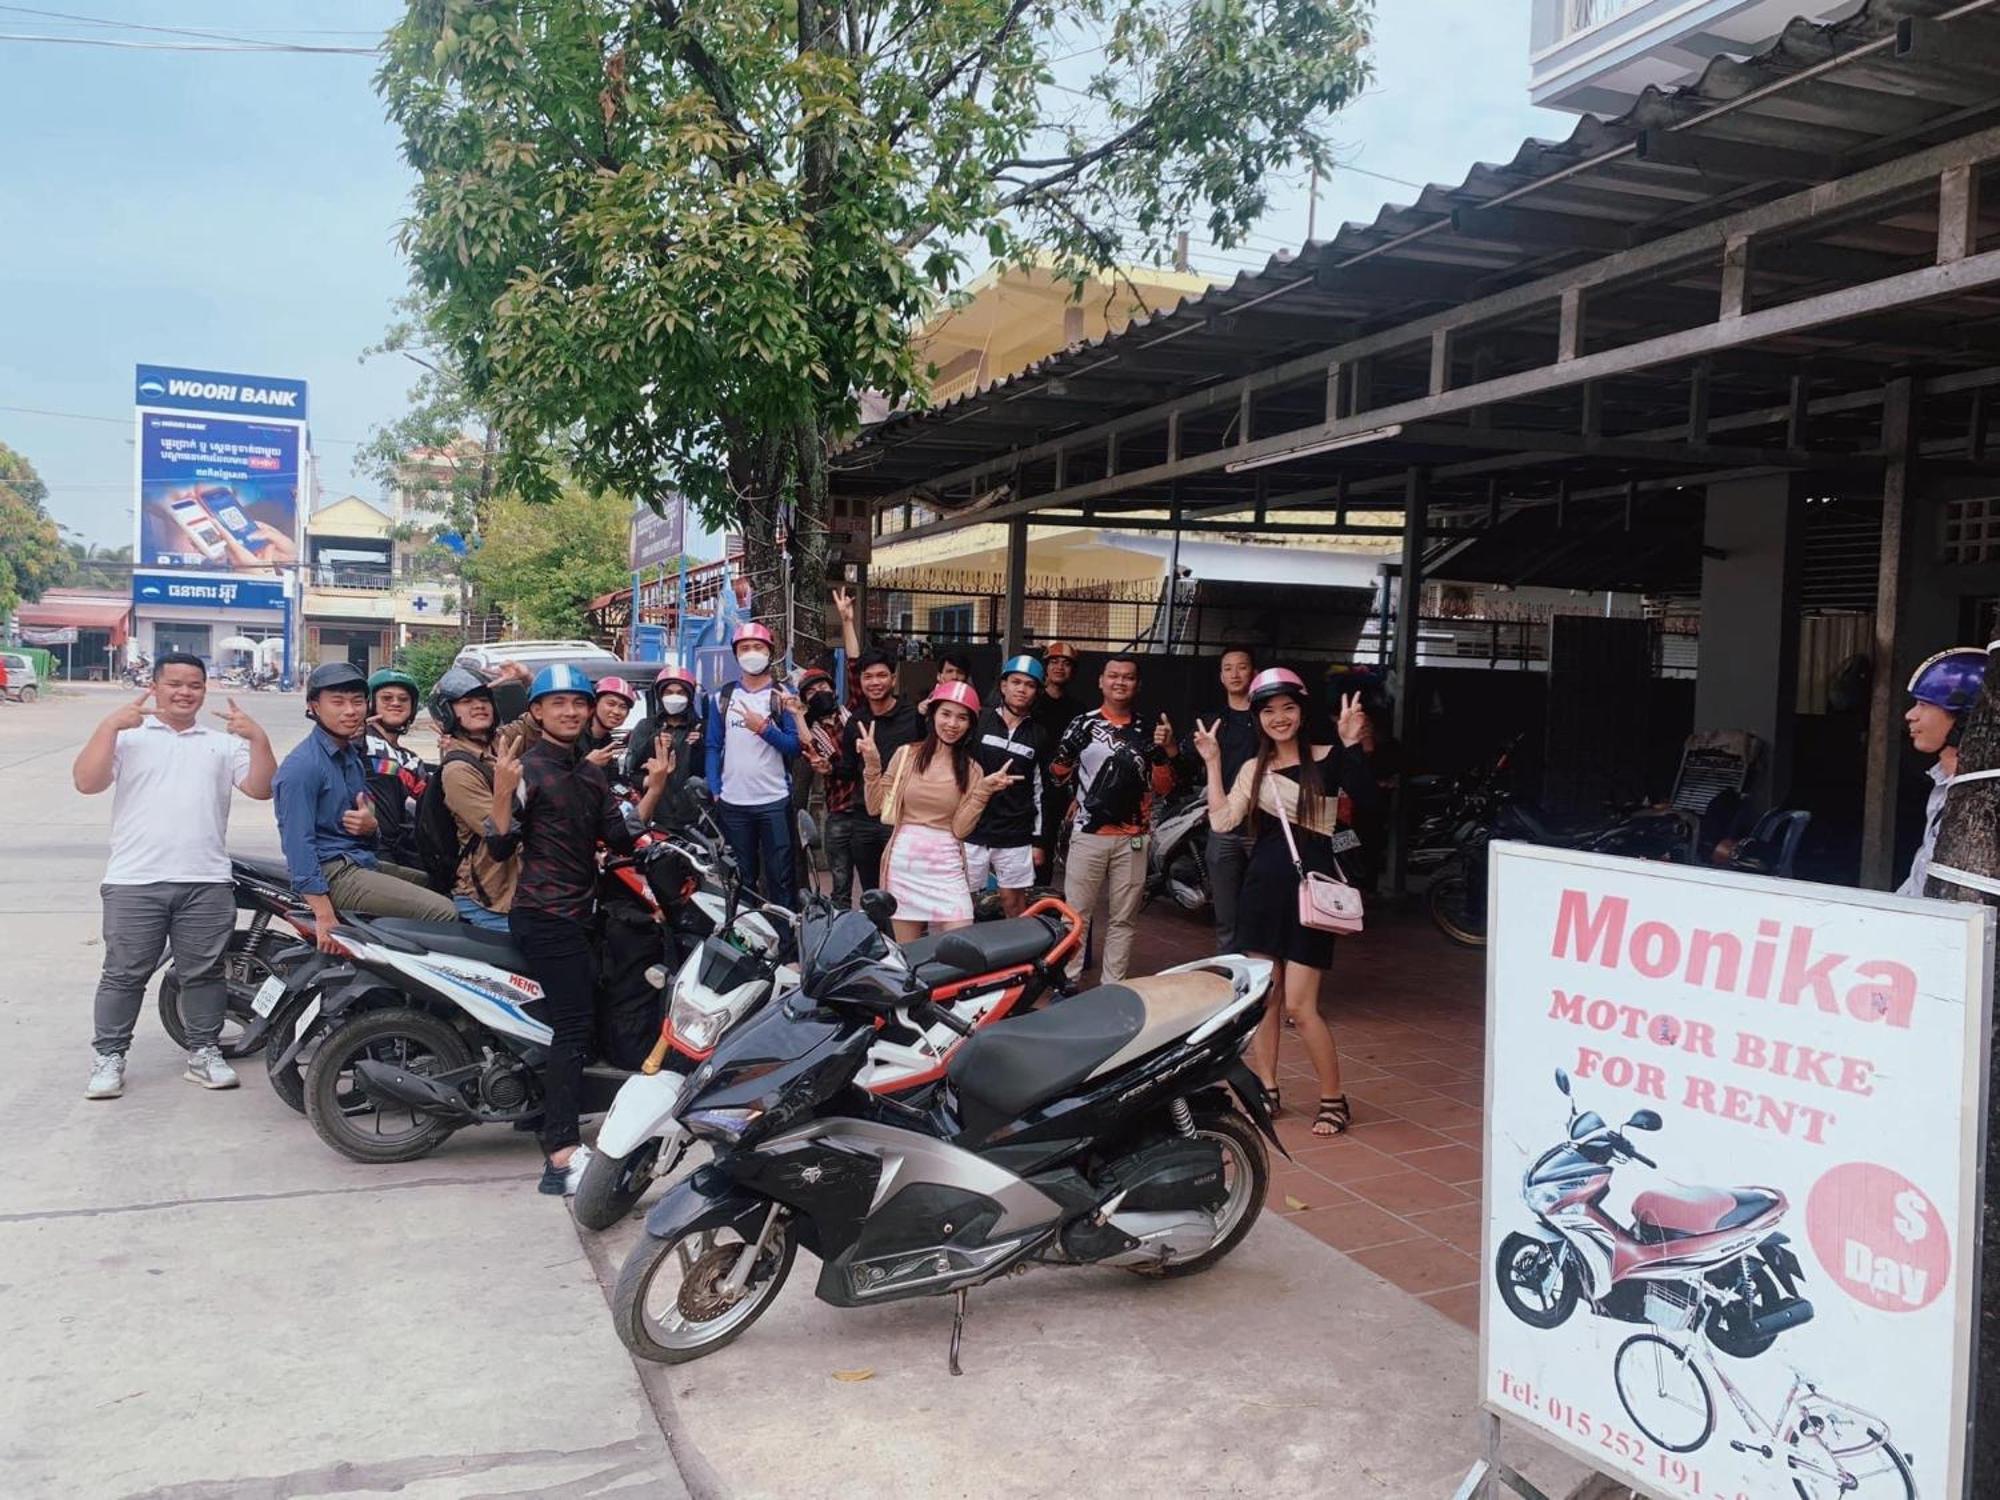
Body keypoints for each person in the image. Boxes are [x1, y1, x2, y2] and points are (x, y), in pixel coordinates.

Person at [486, 664, 674, 1194]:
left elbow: (619, 836)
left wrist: (654, 789)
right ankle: (561, 1154)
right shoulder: (525, 770)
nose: (570, 711)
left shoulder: (590, 774)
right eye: (557, 703)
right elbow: (499, 847)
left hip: (581, 914)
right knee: (574, 1027)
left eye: (578, 703)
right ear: (537, 712)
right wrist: (502, 793)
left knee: (588, 1016)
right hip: (545, 916)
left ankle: (540, 1108)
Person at [74, 653, 276, 1097]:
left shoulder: (221, 743)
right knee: (124, 974)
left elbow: (261, 788)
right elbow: (87, 782)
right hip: (135, 880)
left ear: (205, 690)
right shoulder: (129, 736)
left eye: (195, 686)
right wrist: (108, 727)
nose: (185, 693)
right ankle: (109, 1057)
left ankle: (203, 1052)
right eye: (175, 684)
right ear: (155, 685)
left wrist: (258, 739)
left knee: (202, 974)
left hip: (205, 879)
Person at [1196, 669, 1376, 1137]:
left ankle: (1334, 1098)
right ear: (1258, 718)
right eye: (1269, 711)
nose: (1279, 718)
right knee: (1267, 999)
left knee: (1300, 1006)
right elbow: (1221, 822)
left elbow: (1371, 802)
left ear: (1302, 711)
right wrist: (1213, 762)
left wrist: (1352, 743)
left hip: (1309, 893)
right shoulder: (1253, 770)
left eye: (1288, 708)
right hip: (1261, 891)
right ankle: (1269, 1088)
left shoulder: (1329, 758)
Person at [274, 661, 461, 939]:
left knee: (442, 886)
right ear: (314, 706)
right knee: (444, 912)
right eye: (337, 702)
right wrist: (323, 914)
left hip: (359, 859)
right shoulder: (302, 767)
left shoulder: (349, 755)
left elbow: (367, 807)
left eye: (357, 701)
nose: (350, 711)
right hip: (332, 873)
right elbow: (297, 845)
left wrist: (370, 824)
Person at [1050, 655, 1175, 983]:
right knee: (1075, 916)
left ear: (1138, 684)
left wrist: (1161, 756)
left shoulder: (1150, 729)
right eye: (1113, 676)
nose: (1120, 682)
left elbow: (1164, 787)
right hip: (1088, 834)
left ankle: (1113, 987)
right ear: (1101, 681)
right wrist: (1066, 755)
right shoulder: (1082, 723)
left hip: (1133, 836)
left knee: (1124, 919)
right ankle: (1068, 982)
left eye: (1128, 677)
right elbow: (1056, 778)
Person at [861, 680, 1017, 941]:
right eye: (945, 714)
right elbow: (875, 806)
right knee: (908, 957)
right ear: (932, 715)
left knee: (962, 946)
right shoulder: (905, 755)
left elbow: (960, 829)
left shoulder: (972, 769)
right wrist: (872, 764)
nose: (952, 724)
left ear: (970, 725)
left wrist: (984, 791)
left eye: (962, 717)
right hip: (904, 865)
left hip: (947, 866)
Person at [703, 622, 805, 904]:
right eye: (745, 648)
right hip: (733, 803)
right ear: (736, 655)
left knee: (781, 876)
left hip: (774, 801)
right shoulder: (721, 697)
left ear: (770, 652)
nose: (751, 653)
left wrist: (764, 729)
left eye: (758, 647)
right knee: (741, 878)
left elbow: (795, 747)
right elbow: (712, 746)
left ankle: (785, 938)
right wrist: (715, 788)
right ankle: (748, 938)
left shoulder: (783, 695)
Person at [429, 668, 520, 933]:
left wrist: (525, 680)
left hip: (518, 893)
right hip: (490, 900)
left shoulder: (499, 743)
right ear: (447, 711)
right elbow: (500, 835)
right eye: (466, 701)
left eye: (483, 699)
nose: (479, 706)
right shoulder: (458, 770)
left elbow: (541, 720)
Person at [834, 647, 923, 901]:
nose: (875, 682)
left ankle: (908, 940)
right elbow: (849, 771)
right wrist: (827, 766)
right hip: (864, 818)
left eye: (881, 675)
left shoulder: (914, 717)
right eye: (868, 676)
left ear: (893, 679)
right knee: (872, 892)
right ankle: (879, 937)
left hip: (902, 817)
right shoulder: (856, 723)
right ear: (861, 681)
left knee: (903, 889)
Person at [965, 655, 1051, 916]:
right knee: (960, 900)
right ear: (1003, 686)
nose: (1021, 689)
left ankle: (1013, 955)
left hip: (1015, 833)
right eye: (1015, 682)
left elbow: (1040, 791)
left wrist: (1038, 841)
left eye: (1029, 684)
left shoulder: (1040, 735)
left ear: (1037, 691)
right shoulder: (978, 720)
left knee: (1013, 903)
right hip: (972, 828)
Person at [1900, 646, 1989, 897]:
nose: (1910, 715)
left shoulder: (1984, 803)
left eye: (1924, 704)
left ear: (1965, 716)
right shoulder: (1946, 787)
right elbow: (1919, 885)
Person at [1196, 647, 1260, 952]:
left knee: (1265, 909)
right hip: (1224, 827)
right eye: (1228, 668)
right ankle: (1232, 976)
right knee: (1226, 914)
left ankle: (1267, 979)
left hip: (1263, 826)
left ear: (1254, 673)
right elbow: (1184, 764)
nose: (1235, 674)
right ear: (1221, 677)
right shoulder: (1212, 722)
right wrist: (1168, 746)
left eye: (1242, 667)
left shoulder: (1268, 720)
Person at [362, 667, 430, 868]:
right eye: (387, 698)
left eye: (403, 699)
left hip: (403, 852)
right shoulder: (357, 741)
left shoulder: (412, 760)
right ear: (371, 703)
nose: (395, 703)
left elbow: (427, 803)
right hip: (367, 850)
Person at [623, 660, 704, 823]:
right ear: (660, 695)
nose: (674, 697)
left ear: (689, 697)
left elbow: (708, 774)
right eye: (669, 692)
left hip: (693, 817)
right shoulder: (645, 727)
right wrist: (652, 744)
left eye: (681, 693)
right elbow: (631, 773)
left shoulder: (701, 728)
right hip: (654, 814)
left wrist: (699, 747)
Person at [584, 675, 637, 763]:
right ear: (595, 704)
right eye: (611, 704)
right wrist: (588, 765)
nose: (616, 711)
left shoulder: (606, 740)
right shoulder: (572, 737)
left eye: (623, 707)